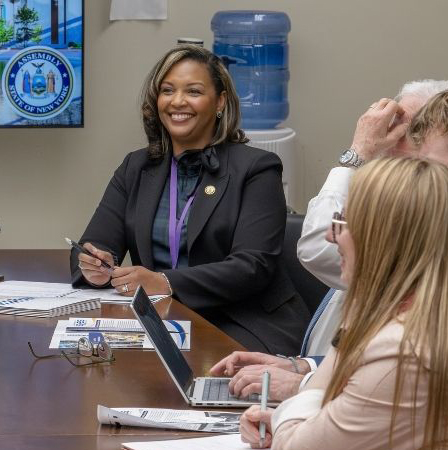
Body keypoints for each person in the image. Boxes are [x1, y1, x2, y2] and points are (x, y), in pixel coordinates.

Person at [210, 80, 448, 401]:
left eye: (414, 135)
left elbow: (319, 248)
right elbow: (362, 355)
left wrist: (359, 152)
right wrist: (302, 366)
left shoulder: (424, 226)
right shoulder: (393, 201)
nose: (392, 142)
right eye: (394, 128)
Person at [70, 45, 310, 355]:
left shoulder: (257, 168)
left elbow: (253, 266)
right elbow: (93, 246)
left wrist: (165, 282)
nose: (178, 101)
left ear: (220, 102)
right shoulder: (136, 167)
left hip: (244, 324)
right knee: (92, 362)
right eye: (167, 91)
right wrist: (93, 265)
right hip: (163, 322)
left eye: (193, 91)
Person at [240, 157, 448, 449]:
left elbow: (296, 447)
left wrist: (286, 419)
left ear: (382, 238)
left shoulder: (400, 350)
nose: (329, 235)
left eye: (344, 221)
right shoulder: (415, 317)